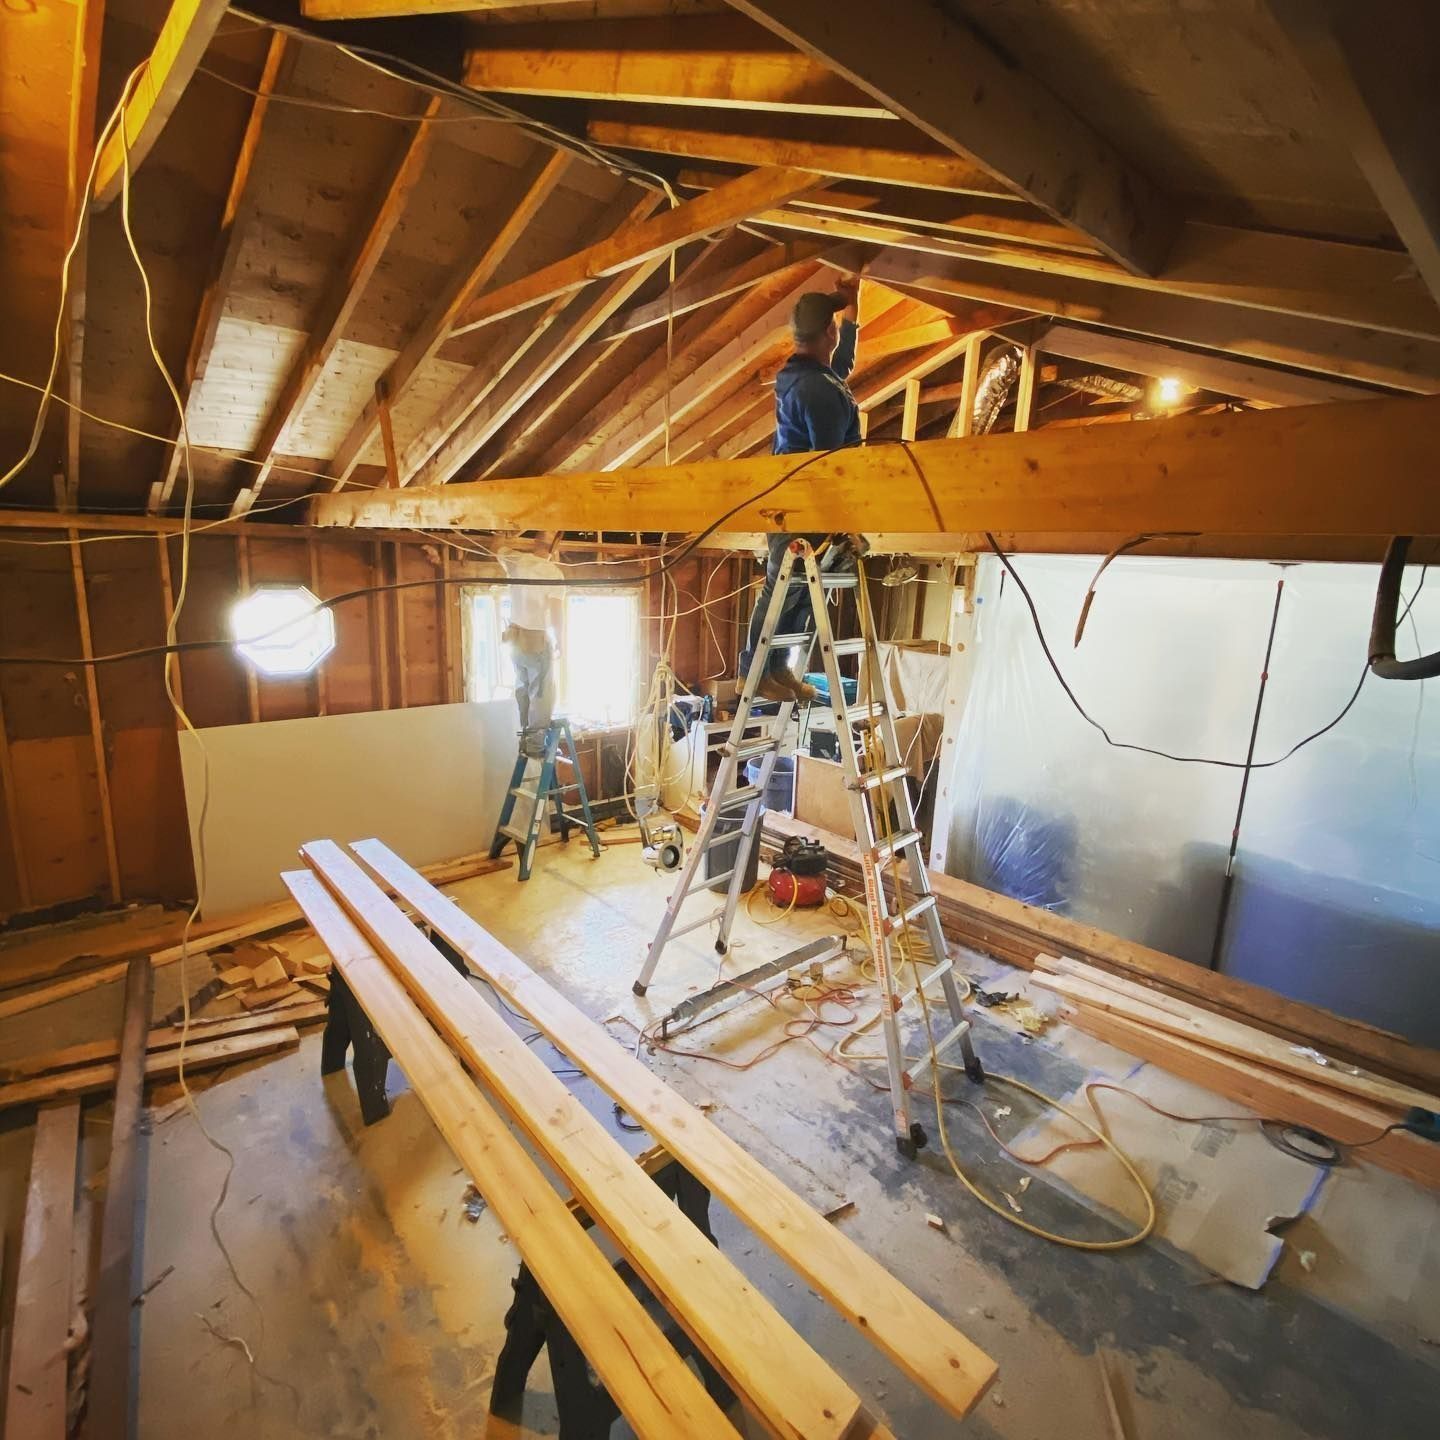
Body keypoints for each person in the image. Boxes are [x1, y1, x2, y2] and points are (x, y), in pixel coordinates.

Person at [739, 274, 864, 703]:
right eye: (836, 324)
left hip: (799, 505)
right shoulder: (817, 390)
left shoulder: (811, 375)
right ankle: (753, 673)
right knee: (783, 589)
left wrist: (853, 303)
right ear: (826, 332)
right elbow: (826, 465)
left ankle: (777, 670)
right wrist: (844, 520)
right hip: (801, 506)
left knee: (799, 596)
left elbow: (842, 363)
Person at [496, 531, 564, 740]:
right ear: (555, 546)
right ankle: (535, 744)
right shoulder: (553, 573)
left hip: (515, 639)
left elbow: (496, 545)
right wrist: (561, 642)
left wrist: (514, 529)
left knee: (522, 687)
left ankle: (525, 734)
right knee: (542, 693)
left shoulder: (517, 561)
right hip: (535, 639)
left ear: (535, 540)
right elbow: (555, 615)